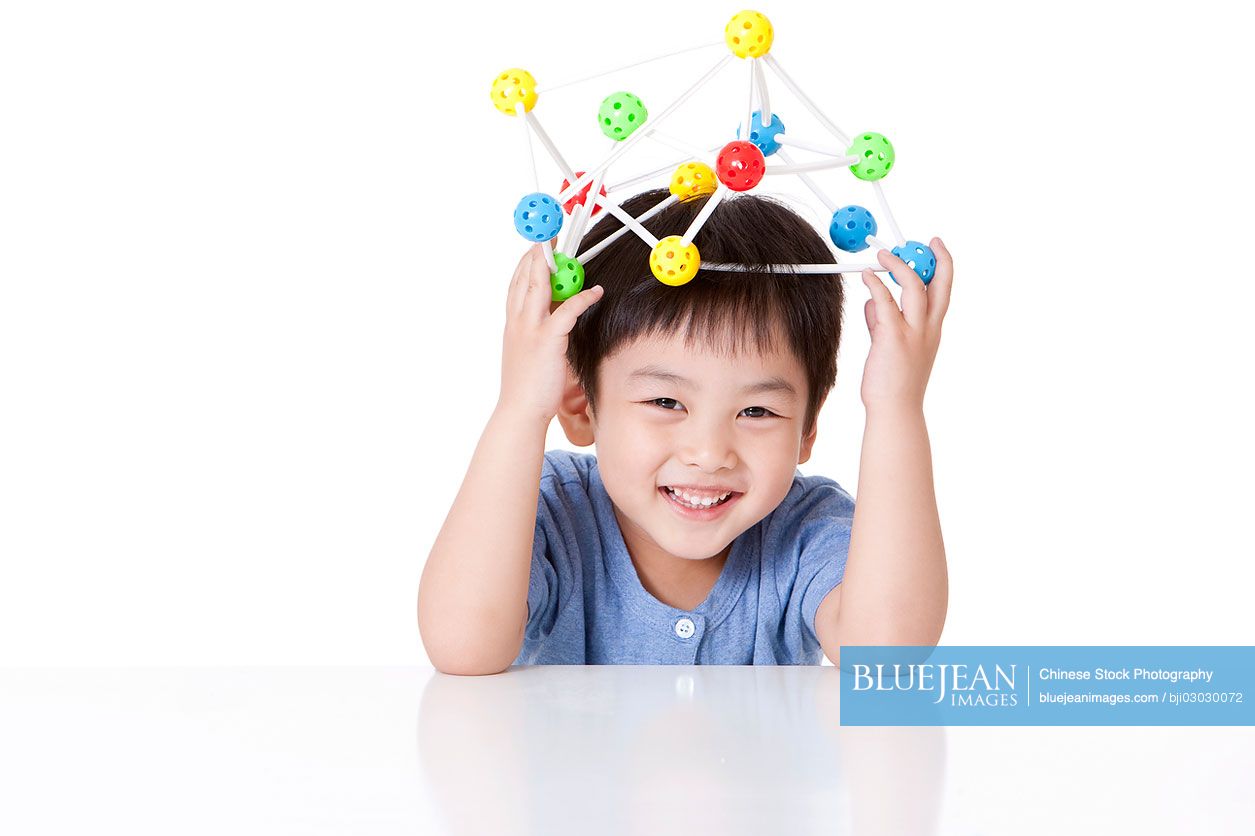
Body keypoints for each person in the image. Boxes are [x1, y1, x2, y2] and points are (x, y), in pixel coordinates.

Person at [418, 188, 952, 673]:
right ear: (581, 404)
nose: (708, 452)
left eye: (757, 411)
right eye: (666, 401)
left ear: (808, 427)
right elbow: (463, 646)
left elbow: (890, 655)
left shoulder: (804, 528)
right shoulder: (552, 508)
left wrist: (896, 408)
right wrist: (519, 411)